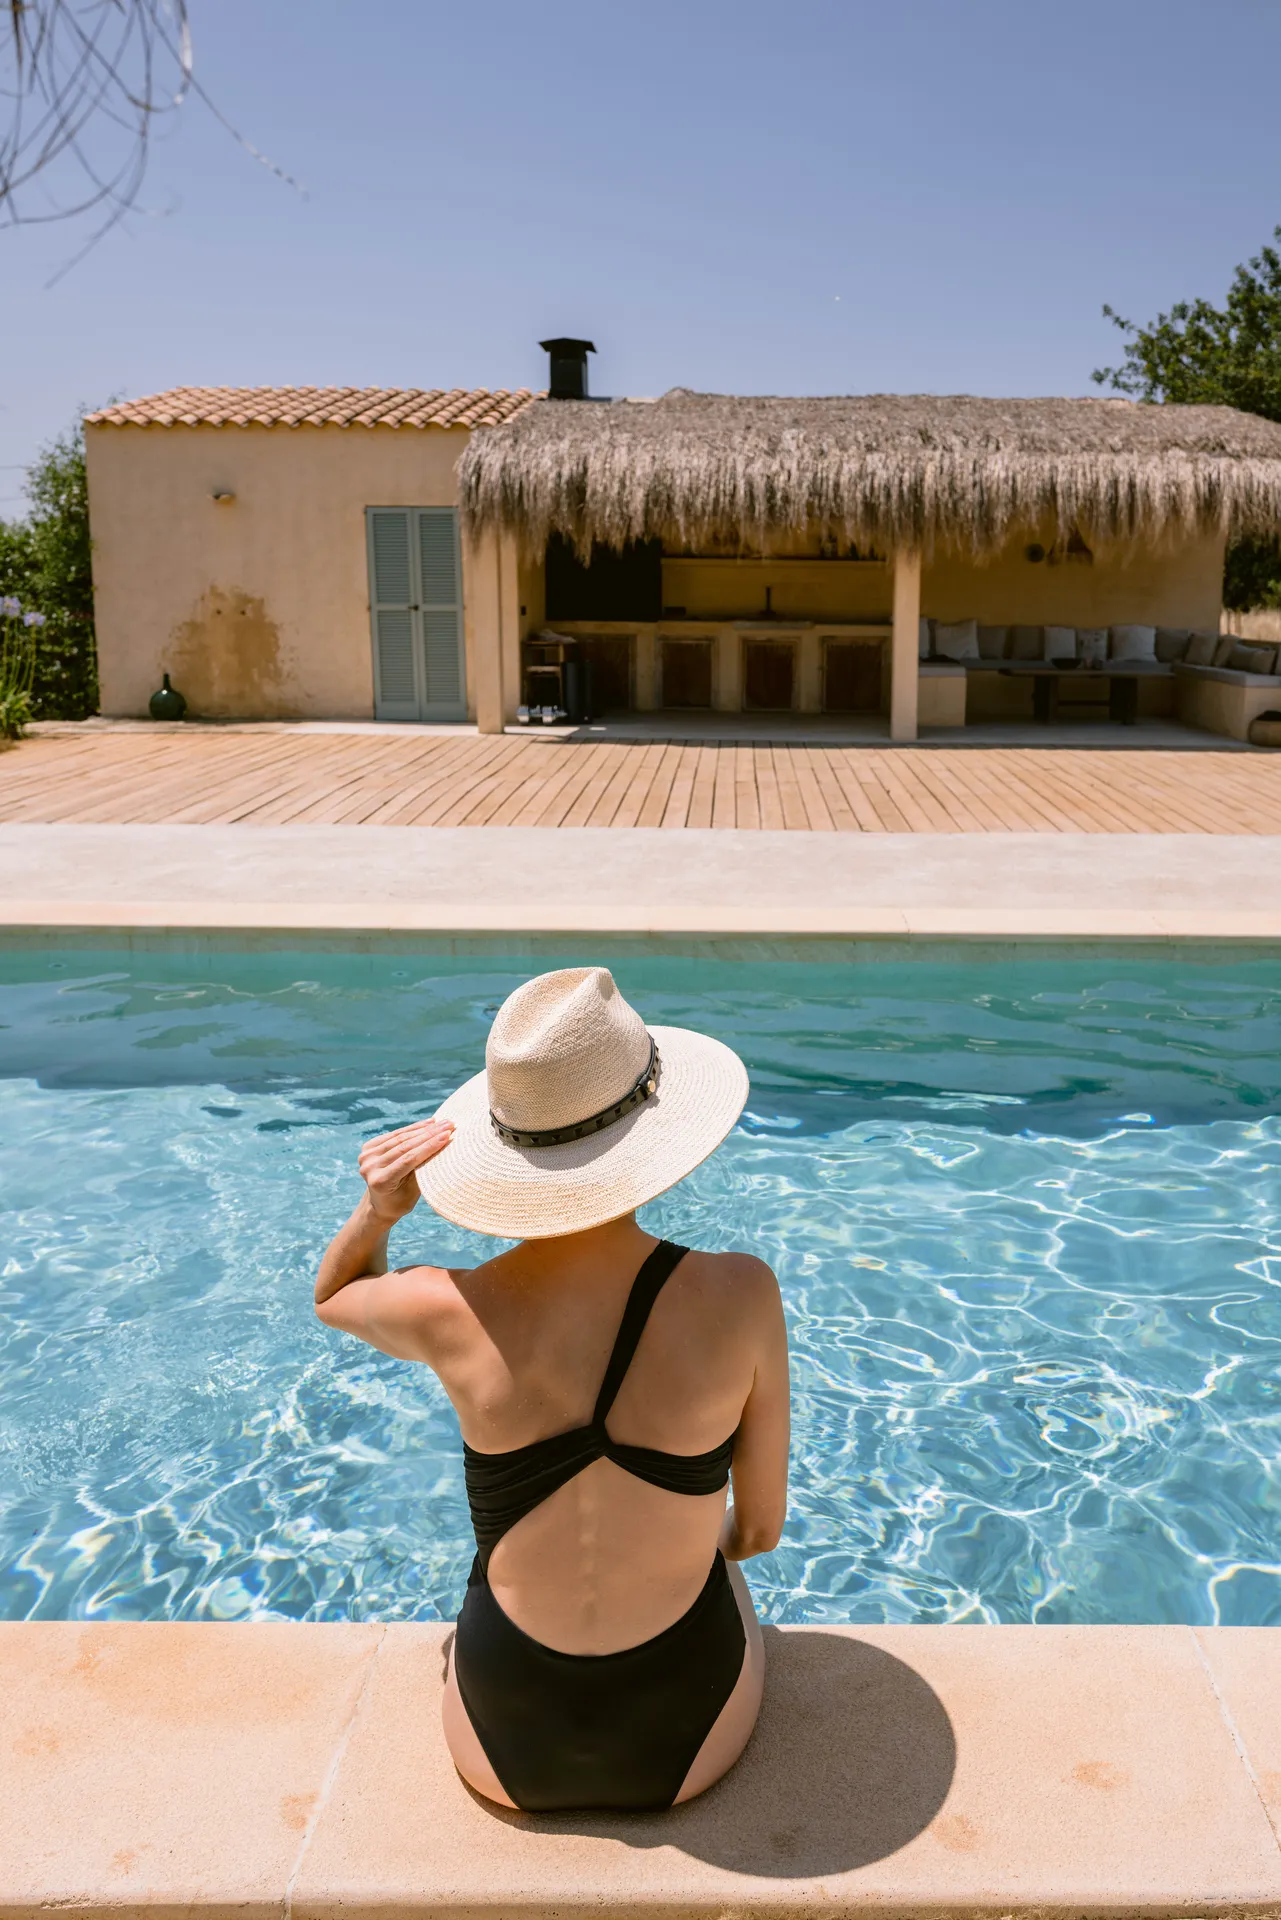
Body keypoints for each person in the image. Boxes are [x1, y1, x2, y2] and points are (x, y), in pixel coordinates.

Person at [315, 965, 790, 1813]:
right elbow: (757, 1531)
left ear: (506, 1148)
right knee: (717, 1564)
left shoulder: (445, 1309)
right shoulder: (739, 1293)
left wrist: (380, 1211)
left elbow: (335, 1296)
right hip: (691, 1737)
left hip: (502, 1743)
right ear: (653, 1130)